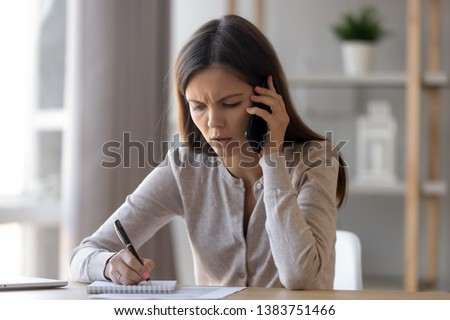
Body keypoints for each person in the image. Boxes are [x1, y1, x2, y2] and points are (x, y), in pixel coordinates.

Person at [69, 14, 347, 290]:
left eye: (230, 103)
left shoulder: (316, 159)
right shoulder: (184, 167)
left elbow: (301, 278)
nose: (213, 123)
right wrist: (108, 266)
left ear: (268, 98)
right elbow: (81, 257)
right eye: (198, 106)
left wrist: (272, 160)